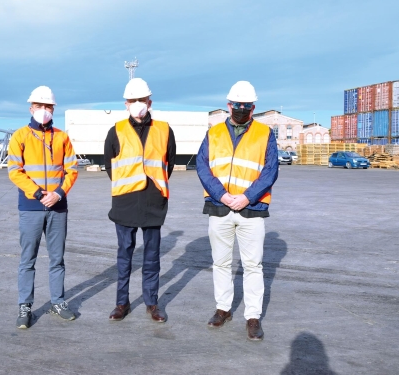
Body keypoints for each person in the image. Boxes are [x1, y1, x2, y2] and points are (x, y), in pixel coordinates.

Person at [196, 81, 278, 341]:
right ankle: (223, 309)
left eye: (247, 106)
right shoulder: (214, 133)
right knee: (220, 262)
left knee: (253, 265)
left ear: (253, 108)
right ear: (229, 105)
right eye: (237, 105)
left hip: (251, 209)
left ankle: (252, 317)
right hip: (219, 207)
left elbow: (270, 170)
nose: (242, 109)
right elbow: (202, 166)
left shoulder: (265, 133)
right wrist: (221, 195)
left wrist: (247, 197)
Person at [103, 78, 176, 323]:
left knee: (152, 256)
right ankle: (121, 303)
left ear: (150, 102)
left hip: (153, 200)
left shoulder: (164, 129)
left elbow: (170, 163)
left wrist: (154, 185)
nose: (138, 104)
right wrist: (128, 183)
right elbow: (109, 165)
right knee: (125, 255)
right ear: (126, 104)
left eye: (142, 100)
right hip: (125, 201)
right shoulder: (116, 130)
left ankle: (152, 303)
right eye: (133, 100)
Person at [7, 86, 79, 329]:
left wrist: (58, 194)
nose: (44, 110)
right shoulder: (20, 136)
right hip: (31, 207)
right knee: (28, 259)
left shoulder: (62, 137)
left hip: (58, 207)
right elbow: (14, 171)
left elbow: (72, 170)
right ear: (31, 108)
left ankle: (58, 301)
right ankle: (25, 305)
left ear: (53, 109)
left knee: (57, 259)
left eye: (48, 106)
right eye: (40, 106)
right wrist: (38, 193)